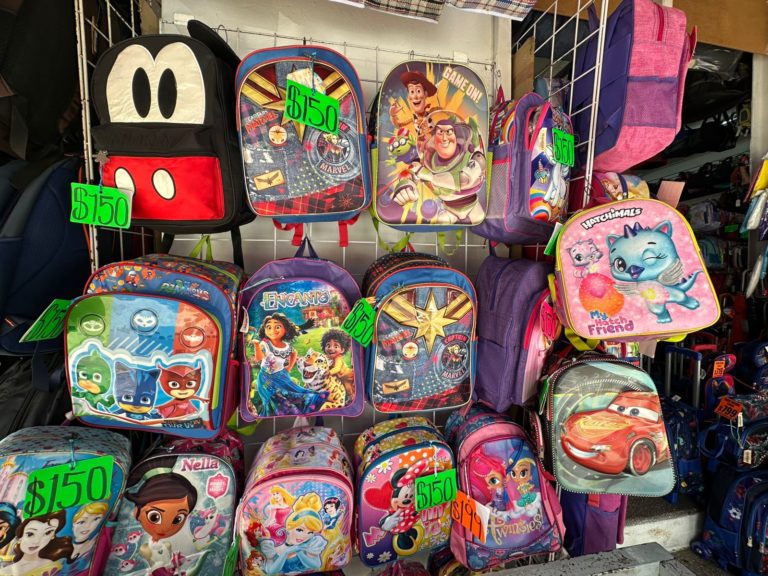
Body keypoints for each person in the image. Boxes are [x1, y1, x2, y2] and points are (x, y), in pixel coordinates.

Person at [393, 114, 486, 225]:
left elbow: (464, 180)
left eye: (449, 132)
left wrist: (431, 177)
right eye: (440, 133)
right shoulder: (429, 160)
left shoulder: (473, 155)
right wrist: (405, 187)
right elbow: (410, 173)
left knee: (479, 218)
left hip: (472, 207)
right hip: (449, 210)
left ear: (455, 135)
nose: (444, 138)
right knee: (441, 223)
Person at [247, 314, 327, 416]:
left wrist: (289, 367)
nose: (272, 330)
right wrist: (256, 345)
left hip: (282, 376)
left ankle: (304, 407)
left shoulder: (286, 346)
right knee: (273, 398)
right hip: (266, 378)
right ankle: (282, 412)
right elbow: (259, 358)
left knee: (291, 392)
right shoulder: (265, 344)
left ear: (285, 329)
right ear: (264, 329)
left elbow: (294, 353)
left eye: (277, 327)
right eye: (268, 327)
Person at [125, 471, 198, 569]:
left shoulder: (167, 545)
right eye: (154, 517)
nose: (166, 527)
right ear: (136, 511)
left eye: (177, 519)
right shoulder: (145, 549)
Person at [260, 493, 328, 574]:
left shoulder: (310, 545)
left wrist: (298, 551)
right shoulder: (273, 549)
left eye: (310, 532)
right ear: (289, 527)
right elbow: (271, 571)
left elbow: (316, 565)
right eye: (299, 530)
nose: (304, 536)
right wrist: (286, 553)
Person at [2, 510, 73, 576]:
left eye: (48, 533)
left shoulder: (54, 567)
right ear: (20, 537)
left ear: (53, 536)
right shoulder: (6, 568)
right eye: (30, 534)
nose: (37, 541)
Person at [389, 69, 437, 154]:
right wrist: (393, 115)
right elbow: (398, 125)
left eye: (418, 91)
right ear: (409, 96)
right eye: (412, 92)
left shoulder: (433, 114)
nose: (415, 96)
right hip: (419, 153)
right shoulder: (411, 118)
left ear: (425, 94)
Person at [69, 502, 109, 567]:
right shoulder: (62, 549)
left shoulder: (98, 541)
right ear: (73, 525)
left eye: (96, 519)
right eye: (81, 522)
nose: (87, 526)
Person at [321, 329, 354, 398]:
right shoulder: (327, 357)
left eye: (336, 346)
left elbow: (337, 368)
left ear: (342, 350)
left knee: (347, 387)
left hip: (346, 376)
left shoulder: (338, 358)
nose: (331, 348)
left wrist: (329, 372)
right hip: (339, 377)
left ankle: (351, 397)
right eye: (328, 346)